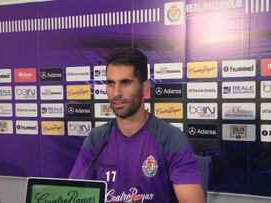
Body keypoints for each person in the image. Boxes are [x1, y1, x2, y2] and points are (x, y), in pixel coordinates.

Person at [69, 48, 205, 203]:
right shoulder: (96, 138)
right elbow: (75, 194)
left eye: (125, 83)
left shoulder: (171, 139)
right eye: (110, 83)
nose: (116, 93)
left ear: (145, 88)